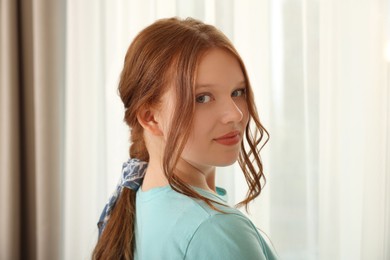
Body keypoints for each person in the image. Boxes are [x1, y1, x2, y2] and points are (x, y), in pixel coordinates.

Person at [92, 17, 277, 260]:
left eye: (237, 92)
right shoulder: (213, 229)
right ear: (151, 118)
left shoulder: (138, 201)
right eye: (202, 98)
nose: (236, 113)